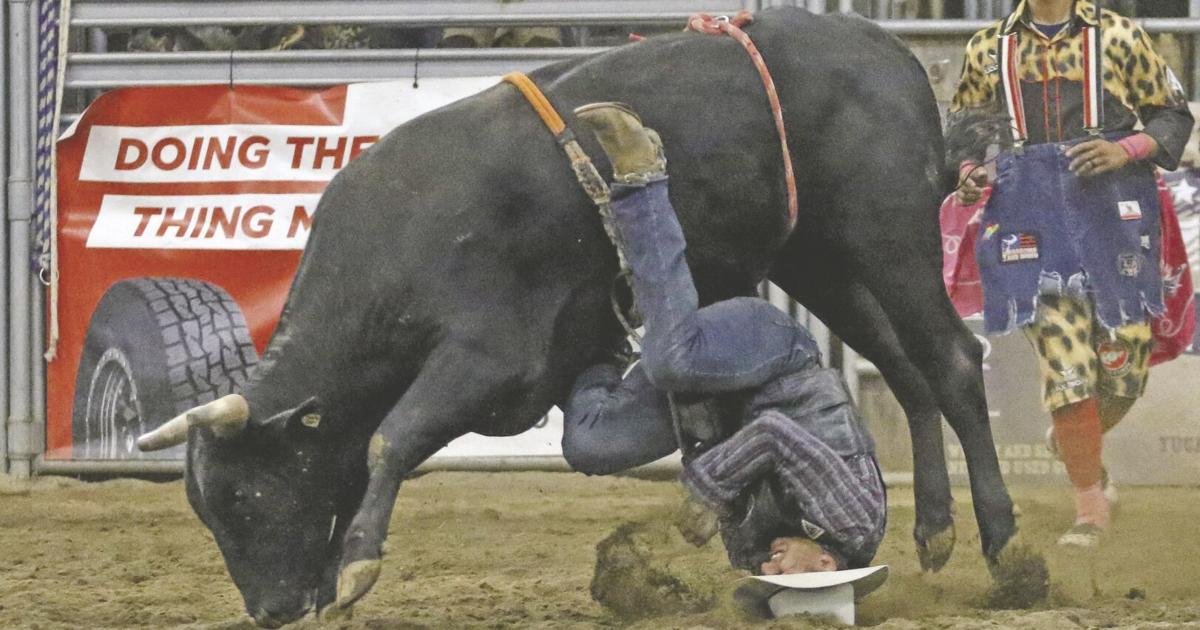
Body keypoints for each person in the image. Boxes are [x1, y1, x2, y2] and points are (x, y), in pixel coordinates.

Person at [561, 102, 886, 574]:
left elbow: (726, 466)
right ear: (824, 566)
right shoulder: (854, 525)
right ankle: (641, 178)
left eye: (769, 579)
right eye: (782, 577)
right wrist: (706, 493)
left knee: (591, 446)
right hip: (777, 362)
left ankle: (597, 340)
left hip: (711, 407)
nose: (769, 570)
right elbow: (776, 436)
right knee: (673, 359)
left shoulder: (754, 554)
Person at [949, 0, 1193, 546]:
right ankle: (1089, 506)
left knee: (1125, 364)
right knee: (1068, 367)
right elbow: (964, 129)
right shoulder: (989, 47)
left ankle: (1074, 438)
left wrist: (1123, 148)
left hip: (1114, 213)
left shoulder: (1120, 36)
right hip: (1027, 219)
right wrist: (969, 172)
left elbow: (1172, 114)